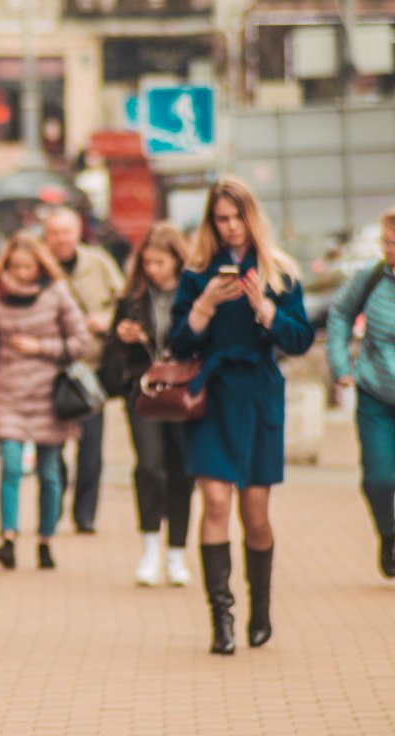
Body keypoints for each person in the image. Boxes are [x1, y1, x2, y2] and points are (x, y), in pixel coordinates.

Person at [169, 177, 314, 655]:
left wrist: (266, 311)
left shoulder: (279, 271)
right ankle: (222, 619)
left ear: (252, 218)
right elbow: (178, 343)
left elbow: (300, 339)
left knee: (255, 513)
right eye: (221, 219)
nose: (230, 227)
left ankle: (261, 609)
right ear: (211, 223)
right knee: (214, 501)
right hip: (211, 395)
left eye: (237, 218)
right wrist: (204, 305)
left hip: (258, 394)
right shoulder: (197, 274)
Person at [0, 230, 90, 570]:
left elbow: (81, 342)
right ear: (5, 265)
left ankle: (45, 540)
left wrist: (41, 347)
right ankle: (8, 538)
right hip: (8, 393)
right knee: (10, 467)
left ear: (41, 266)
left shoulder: (56, 293)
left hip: (50, 396)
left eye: (28, 266)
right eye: (16, 266)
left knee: (49, 473)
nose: (22, 273)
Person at [101, 222, 195, 587]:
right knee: (150, 466)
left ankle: (176, 553)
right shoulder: (133, 297)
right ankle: (150, 548)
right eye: (147, 262)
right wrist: (124, 336)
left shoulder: (193, 293)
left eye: (160, 263)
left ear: (176, 260)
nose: (152, 270)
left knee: (182, 469)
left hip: (184, 390)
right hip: (144, 389)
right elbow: (113, 347)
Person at [42, 206, 125, 534]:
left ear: (78, 233)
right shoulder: (39, 267)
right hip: (50, 370)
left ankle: (85, 514)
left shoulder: (99, 263)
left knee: (91, 446)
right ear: (46, 236)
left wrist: (107, 320)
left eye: (66, 232)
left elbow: (125, 301)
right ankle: (54, 505)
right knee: (53, 445)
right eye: (54, 233)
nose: (61, 239)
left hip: (92, 371)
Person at [326, 207, 395, 579]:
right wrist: (341, 367)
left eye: (394, 244)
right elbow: (339, 314)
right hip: (375, 395)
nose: (388, 250)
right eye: (386, 242)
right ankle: (389, 533)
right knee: (379, 478)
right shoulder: (371, 278)